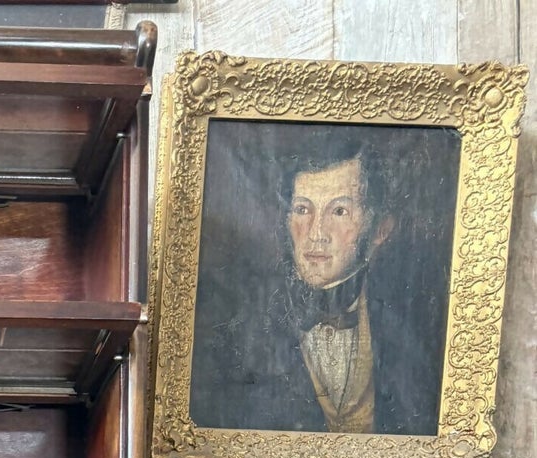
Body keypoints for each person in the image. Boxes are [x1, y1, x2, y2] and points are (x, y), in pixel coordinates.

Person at [189, 131, 446, 436]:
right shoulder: (242, 331)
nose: (316, 233)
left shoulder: (412, 335)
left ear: (380, 230)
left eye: (339, 211)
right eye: (302, 209)